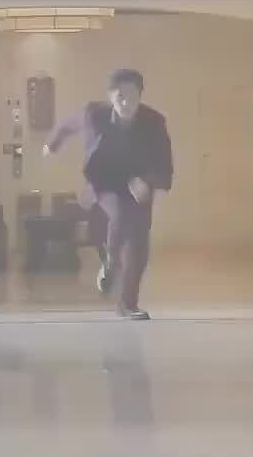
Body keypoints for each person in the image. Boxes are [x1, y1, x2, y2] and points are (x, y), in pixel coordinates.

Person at [43, 69, 173, 321]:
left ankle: (128, 304)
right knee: (121, 214)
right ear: (110, 96)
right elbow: (69, 125)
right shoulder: (94, 113)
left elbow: (165, 161)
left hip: (138, 183)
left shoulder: (154, 122)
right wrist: (52, 144)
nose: (125, 102)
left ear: (140, 96)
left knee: (139, 245)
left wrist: (149, 182)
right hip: (104, 181)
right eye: (120, 96)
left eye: (131, 96)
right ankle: (111, 262)